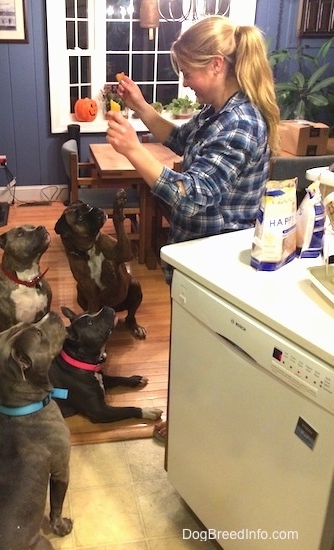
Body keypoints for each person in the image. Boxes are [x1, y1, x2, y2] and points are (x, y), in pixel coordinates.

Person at [105, 15, 280, 442]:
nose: (185, 83)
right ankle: (189, 416)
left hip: (219, 265)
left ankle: (198, 427)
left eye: (188, 72)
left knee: (208, 352)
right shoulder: (217, 112)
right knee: (194, 347)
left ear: (217, 65)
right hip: (197, 256)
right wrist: (142, 107)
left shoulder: (241, 122)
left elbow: (193, 194)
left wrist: (133, 150)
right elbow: (181, 141)